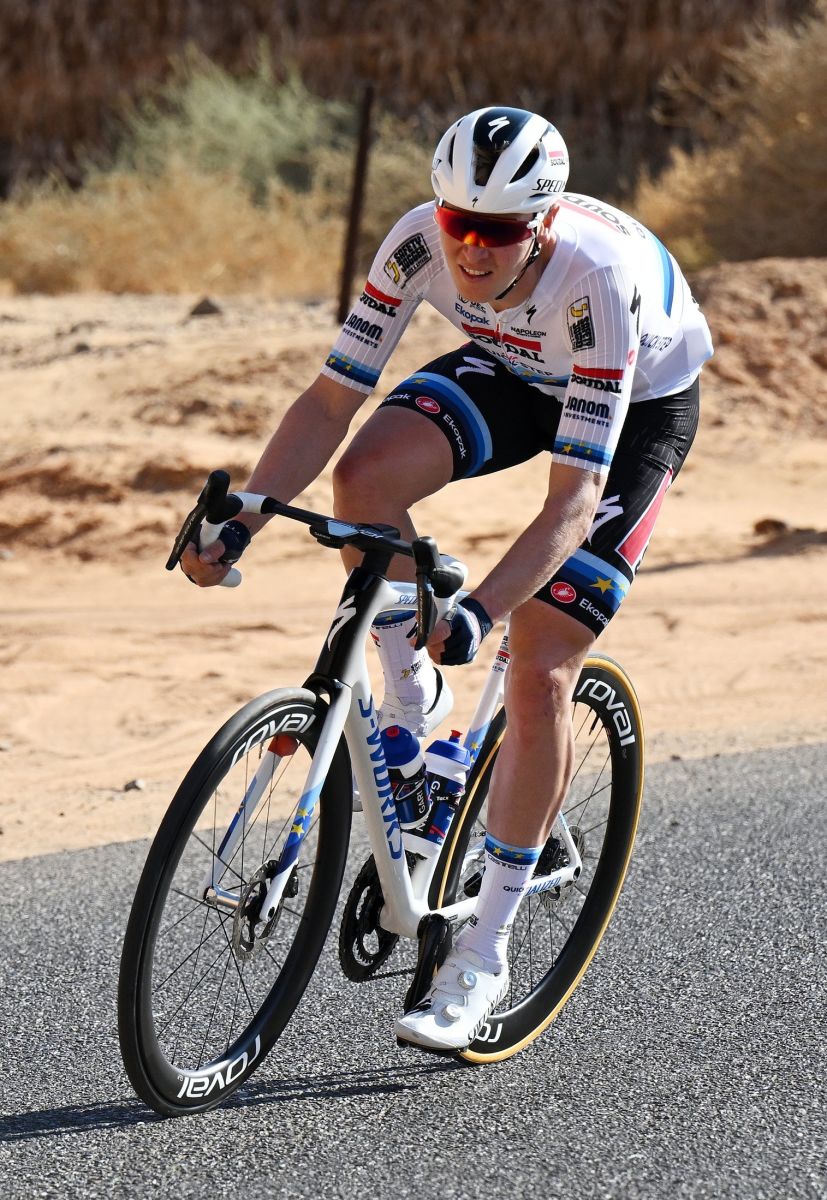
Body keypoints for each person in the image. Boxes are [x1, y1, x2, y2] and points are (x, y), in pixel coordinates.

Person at [182, 106, 713, 1053]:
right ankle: (410, 693)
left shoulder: (594, 279)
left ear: (540, 224)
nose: (469, 248)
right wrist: (245, 514)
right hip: (515, 367)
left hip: (634, 408)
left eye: (496, 231)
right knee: (364, 479)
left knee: (538, 662)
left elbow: (572, 502)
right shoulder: (417, 241)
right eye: (458, 222)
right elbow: (331, 401)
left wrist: (480, 610)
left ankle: (483, 956)